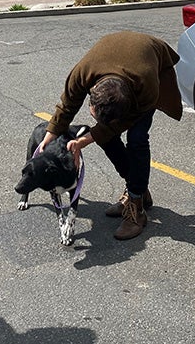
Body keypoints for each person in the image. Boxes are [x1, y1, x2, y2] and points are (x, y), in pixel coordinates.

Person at [38, 31, 183, 240]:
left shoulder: (146, 86)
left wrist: (86, 139)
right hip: (114, 56)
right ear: (93, 94)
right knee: (106, 136)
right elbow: (67, 105)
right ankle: (139, 191)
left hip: (150, 58)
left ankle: (136, 208)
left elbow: (123, 122)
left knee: (137, 139)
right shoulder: (83, 73)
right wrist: (48, 137)